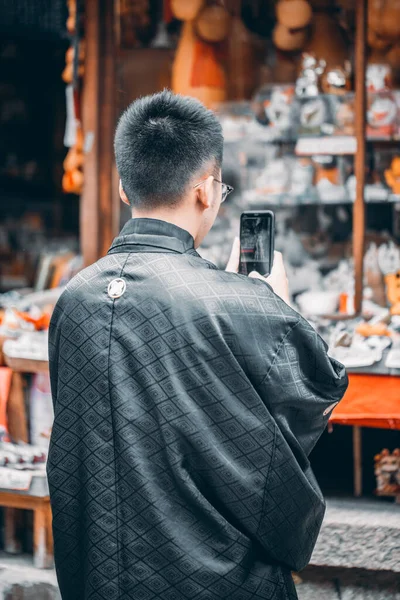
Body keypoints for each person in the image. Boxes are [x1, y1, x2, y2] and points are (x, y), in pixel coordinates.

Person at [47, 90, 348, 600]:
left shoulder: (74, 299)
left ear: (124, 188)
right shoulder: (238, 300)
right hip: (216, 577)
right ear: (207, 191)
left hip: (104, 577)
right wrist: (272, 302)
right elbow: (319, 386)